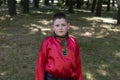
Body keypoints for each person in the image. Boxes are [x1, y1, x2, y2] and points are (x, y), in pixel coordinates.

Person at [35, 12, 83, 80]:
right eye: (57, 25)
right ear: (53, 27)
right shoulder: (47, 42)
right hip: (51, 78)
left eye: (63, 25)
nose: (60, 28)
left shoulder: (73, 42)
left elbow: (78, 63)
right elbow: (40, 63)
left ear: (68, 26)